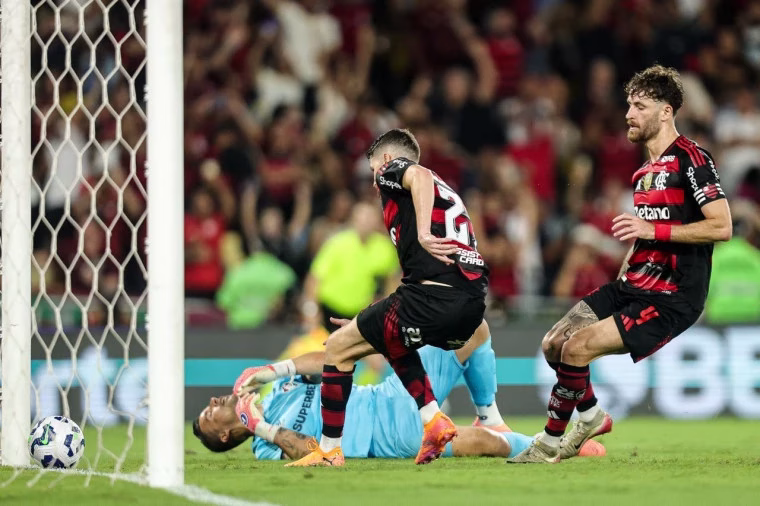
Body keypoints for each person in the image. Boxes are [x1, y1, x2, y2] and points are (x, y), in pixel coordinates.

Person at [508, 65, 732, 463]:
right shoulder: (643, 172)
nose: (629, 114)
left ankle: (547, 444)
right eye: (629, 105)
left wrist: (651, 230)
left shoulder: (692, 159)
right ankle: (591, 416)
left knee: (577, 348)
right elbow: (645, 235)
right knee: (553, 344)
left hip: (672, 295)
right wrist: (627, 266)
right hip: (631, 285)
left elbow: (722, 226)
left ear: (666, 111)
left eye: (640, 106)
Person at [241, 128, 491, 467]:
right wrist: (370, 319)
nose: (375, 182)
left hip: (436, 295)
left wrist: (422, 232)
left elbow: (416, 175)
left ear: (386, 159)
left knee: (338, 347)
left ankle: (330, 451)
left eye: (374, 170)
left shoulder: (396, 171)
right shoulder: (445, 191)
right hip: (469, 302)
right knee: (388, 336)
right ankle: (438, 418)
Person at [193, 321, 606, 461]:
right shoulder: (264, 446)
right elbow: (307, 451)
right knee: (472, 328)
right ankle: (492, 418)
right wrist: (260, 427)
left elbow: (331, 358)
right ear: (226, 435)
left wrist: (273, 369)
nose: (213, 402)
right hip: (390, 428)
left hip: (389, 401)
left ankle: (549, 446)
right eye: (210, 415)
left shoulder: (277, 391)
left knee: (482, 443)